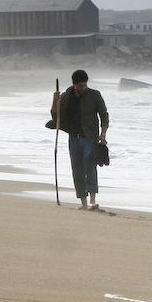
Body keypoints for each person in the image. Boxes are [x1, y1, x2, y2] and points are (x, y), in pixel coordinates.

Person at [51, 69, 109, 210]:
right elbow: (55, 116)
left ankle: (93, 202)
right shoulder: (66, 96)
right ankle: (83, 203)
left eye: (85, 85)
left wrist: (103, 134)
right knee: (77, 169)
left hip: (90, 137)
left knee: (90, 165)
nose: (83, 88)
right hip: (73, 138)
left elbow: (104, 115)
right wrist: (55, 101)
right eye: (80, 86)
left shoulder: (95, 95)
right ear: (74, 84)